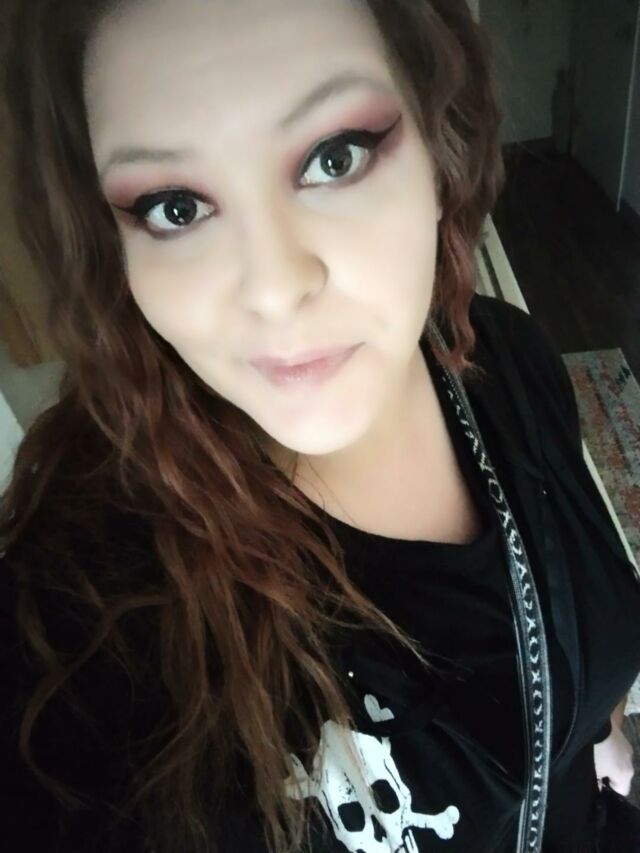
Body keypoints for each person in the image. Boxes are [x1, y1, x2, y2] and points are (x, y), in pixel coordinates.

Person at [1, 1, 639, 852]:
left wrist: (598, 734)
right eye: (174, 208)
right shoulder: (74, 631)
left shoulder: (512, 363)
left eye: (334, 158)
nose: (273, 289)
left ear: (439, 144)